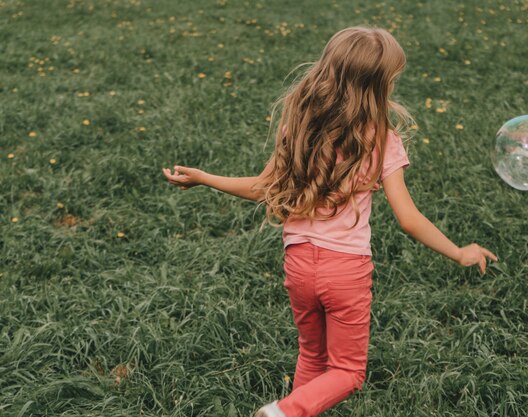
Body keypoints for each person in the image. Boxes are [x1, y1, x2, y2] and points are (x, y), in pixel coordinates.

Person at [162, 26, 497, 417]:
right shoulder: (383, 140)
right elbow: (408, 218)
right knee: (348, 371)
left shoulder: (300, 128)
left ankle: (289, 410)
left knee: (312, 354)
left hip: (299, 264)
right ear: (376, 87)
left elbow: (262, 187)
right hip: (346, 271)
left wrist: (204, 178)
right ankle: (280, 413)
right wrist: (458, 252)